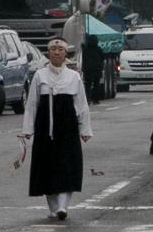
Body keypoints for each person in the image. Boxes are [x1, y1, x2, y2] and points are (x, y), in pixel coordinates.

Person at [21, 38, 93, 221]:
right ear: (48, 53)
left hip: (67, 128)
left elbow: (82, 105)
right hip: (45, 128)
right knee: (47, 167)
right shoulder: (40, 75)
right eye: (53, 49)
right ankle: (53, 206)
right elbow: (31, 105)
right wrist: (27, 129)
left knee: (68, 166)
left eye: (60, 49)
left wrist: (85, 130)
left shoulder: (73, 76)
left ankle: (63, 206)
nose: (56, 52)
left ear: (65, 53)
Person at [81, 34, 105, 103]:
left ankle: (88, 98)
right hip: (97, 70)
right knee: (96, 85)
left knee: (88, 85)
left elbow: (83, 58)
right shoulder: (98, 49)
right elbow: (102, 58)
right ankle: (95, 99)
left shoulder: (85, 49)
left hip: (87, 70)